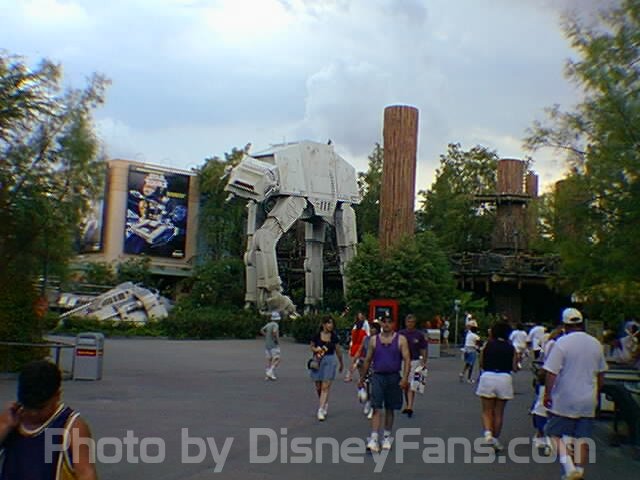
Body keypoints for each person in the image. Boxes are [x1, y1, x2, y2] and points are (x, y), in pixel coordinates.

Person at [0, 360, 98, 480]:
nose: (33, 413)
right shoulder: (9, 420)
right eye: (28, 406)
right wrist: (4, 426)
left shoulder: (72, 426)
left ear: (57, 396)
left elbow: (86, 473)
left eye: (40, 407)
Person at [543, 308, 608, 480]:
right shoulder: (595, 343)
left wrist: (547, 394)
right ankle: (579, 470)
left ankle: (569, 467)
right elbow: (601, 373)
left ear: (565, 325)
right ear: (581, 323)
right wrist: (597, 392)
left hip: (565, 397)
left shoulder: (562, 343)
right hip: (588, 398)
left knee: (553, 433)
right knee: (582, 438)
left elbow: (551, 372)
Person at [360, 313, 411, 453]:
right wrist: (362, 378)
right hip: (378, 376)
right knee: (376, 407)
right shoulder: (374, 340)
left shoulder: (401, 340)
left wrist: (405, 378)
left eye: (389, 322)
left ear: (393, 324)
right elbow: (368, 359)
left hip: (393, 376)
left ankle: (387, 436)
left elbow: (407, 359)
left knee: (390, 408)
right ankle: (374, 438)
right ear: (381, 324)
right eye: (384, 322)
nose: (387, 324)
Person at [475, 321, 516, 452]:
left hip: (488, 376)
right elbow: (514, 367)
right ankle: (495, 438)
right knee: (499, 412)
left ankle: (488, 433)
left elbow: (481, 363)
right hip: (504, 377)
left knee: (487, 410)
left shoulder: (487, 345)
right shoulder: (511, 347)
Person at [309, 317, 344, 421]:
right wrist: (316, 349)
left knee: (326, 385)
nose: (330, 325)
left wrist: (341, 363)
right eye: (328, 323)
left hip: (330, 360)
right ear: (323, 324)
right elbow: (311, 346)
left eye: (332, 323)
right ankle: (324, 402)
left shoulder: (334, 337)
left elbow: (338, 350)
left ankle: (321, 409)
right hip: (318, 360)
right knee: (318, 386)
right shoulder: (316, 335)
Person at [399, 314, 428, 418]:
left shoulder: (419, 334)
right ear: (406, 323)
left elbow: (423, 348)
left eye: (412, 322)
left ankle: (410, 406)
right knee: (405, 384)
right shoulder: (401, 334)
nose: (410, 324)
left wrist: (424, 361)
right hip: (403, 361)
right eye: (408, 322)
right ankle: (407, 403)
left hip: (414, 361)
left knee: (413, 383)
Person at [345, 312, 369, 382]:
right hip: (360, 345)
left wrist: (350, 345)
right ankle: (350, 375)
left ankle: (357, 376)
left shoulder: (355, 325)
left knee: (356, 362)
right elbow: (367, 335)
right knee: (358, 362)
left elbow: (352, 337)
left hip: (355, 345)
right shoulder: (365, 324)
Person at [260, 311, 281, 380]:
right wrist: (276, 340)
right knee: (277, 359)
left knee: (270, 359)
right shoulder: (275, 325)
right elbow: (274, 332)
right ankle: (270, 371)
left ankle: (269, 375)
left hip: (267, 344)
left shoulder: (268, 324)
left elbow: (262, 330)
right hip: (273, 345)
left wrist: (266, 335)